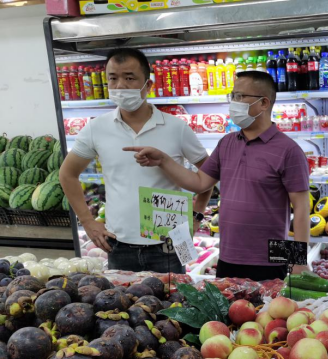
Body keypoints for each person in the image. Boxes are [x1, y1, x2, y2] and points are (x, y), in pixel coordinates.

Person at [123, 71, 311, 281]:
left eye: (240, 96)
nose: (234, 103)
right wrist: (163, 160)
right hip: (228, 254)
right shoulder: (227, 143)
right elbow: (200, 182)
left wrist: (298, 261)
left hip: (271, 257)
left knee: (268, 303)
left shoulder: (289, 150)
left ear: (264, 103)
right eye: (233, 96)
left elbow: (301, 207)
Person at [60, 48, 211, 274]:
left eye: (129, 78)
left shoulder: (176, 127)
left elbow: (208, 174)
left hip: (170, 240)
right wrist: (88, 221)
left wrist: (197, 214)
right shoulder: (96, 128)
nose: (120, 85)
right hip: (118, 243)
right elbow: (67, 174)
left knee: (173, 296)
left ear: (148, 85)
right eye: (113, 78)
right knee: (123, 297)